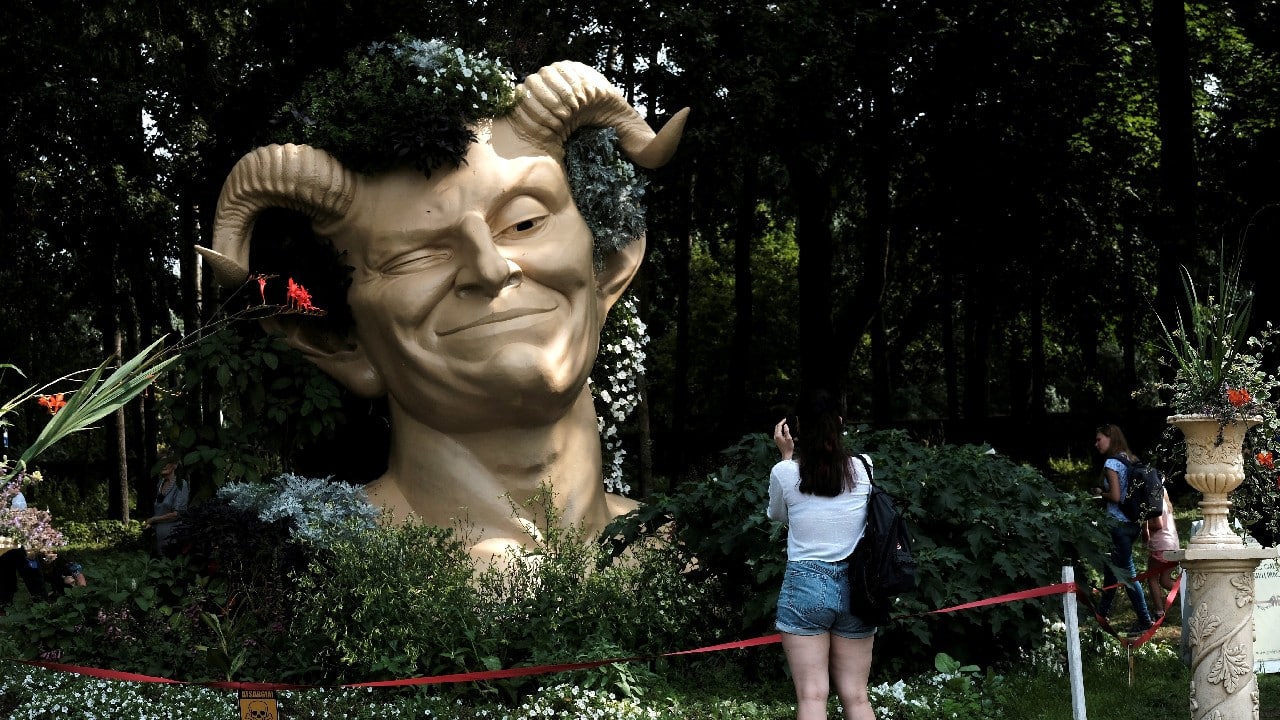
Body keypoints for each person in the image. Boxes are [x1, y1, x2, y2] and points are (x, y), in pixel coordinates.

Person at [194, 39, 688, 561]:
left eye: (525, 222)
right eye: (412, 259)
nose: (491, 270)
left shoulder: (690, 558)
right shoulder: (319, 573)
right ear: (340, 342)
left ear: (609, 267)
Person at [767, 390, 876, 720]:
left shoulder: (785, 472)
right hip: (859, 587)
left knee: (813, 696)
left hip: (806, 584)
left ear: (795, 428)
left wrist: (786, 456)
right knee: (857, 696)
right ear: (840, 424)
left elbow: (778, 515)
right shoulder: (864, 467)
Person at [1092, 423, 1155, 634]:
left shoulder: (1111, 463)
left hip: (1118, 525)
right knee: (1113, 569)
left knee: (1127, 575)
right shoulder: (1132, 459)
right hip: (1133, 524)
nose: (1096, 443)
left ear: (1110, 438)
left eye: (1099, 439)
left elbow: (1117, 497)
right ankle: (1100, 616)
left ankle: (1145, 620)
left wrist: (1102, 493)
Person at [1143, 485, 1179, 621]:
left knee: (1152, 578)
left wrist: (1141, 524)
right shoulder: (1165, 502)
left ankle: (1159, 612)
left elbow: (1157, 525)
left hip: (1161, 546)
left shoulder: (1153, 503)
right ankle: (1191, 595)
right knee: (1165, 580)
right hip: (1172, 544)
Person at [144, 459, 189, 557]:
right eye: (160, 463)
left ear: (174, 466)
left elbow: (176, 514)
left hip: (172, 537)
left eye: (166, 463)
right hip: (157, 538)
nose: (163, 466)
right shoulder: (160, 483)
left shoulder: (181, 484)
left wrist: (153, 519)